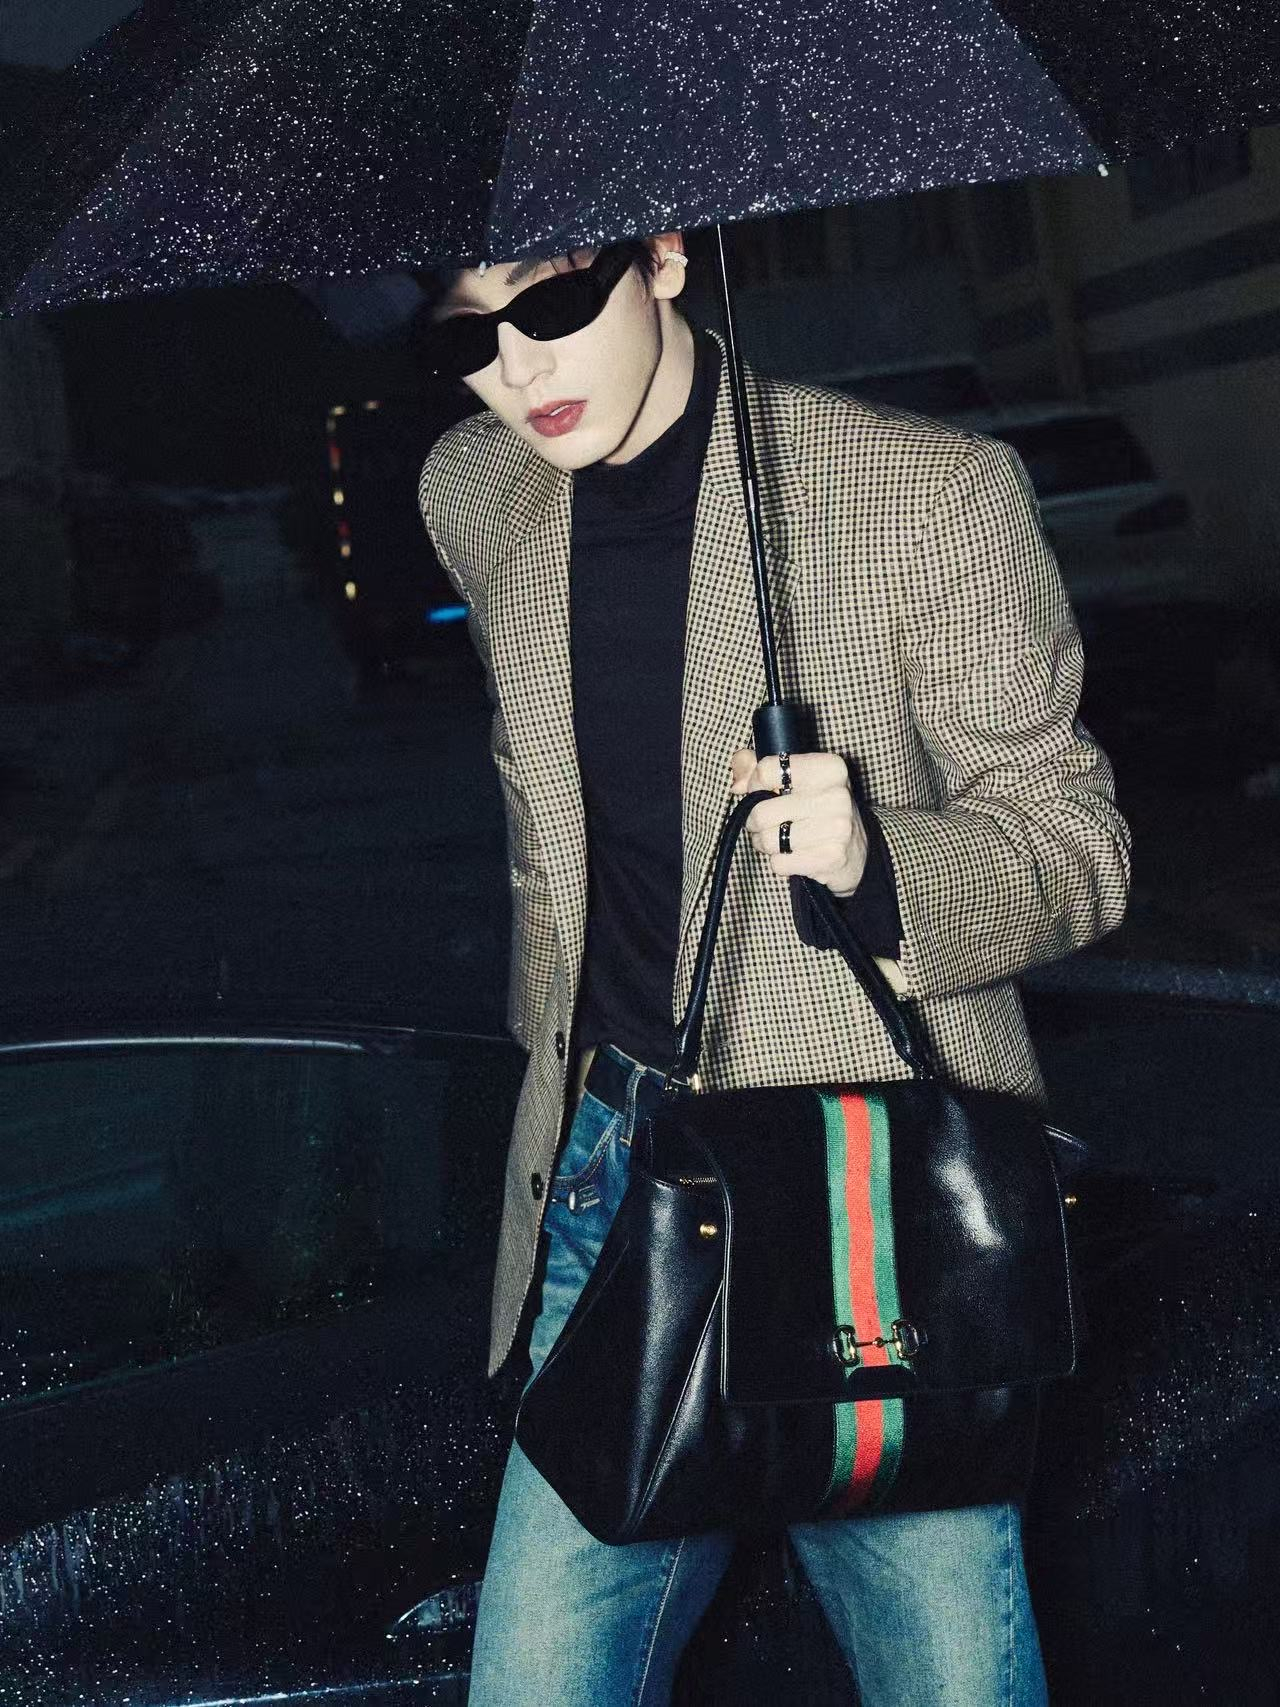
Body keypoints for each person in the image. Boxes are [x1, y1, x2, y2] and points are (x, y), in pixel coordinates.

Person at [414, 234, 1131, 1707]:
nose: (519, 368)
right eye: (468, 334)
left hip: (867, 1203)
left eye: (553, 303)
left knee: (948, 1680)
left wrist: (880, 866)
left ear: (668, 258)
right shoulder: (477, 494)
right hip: (612, 1175)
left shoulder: (925, 494)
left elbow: (1078, 850)